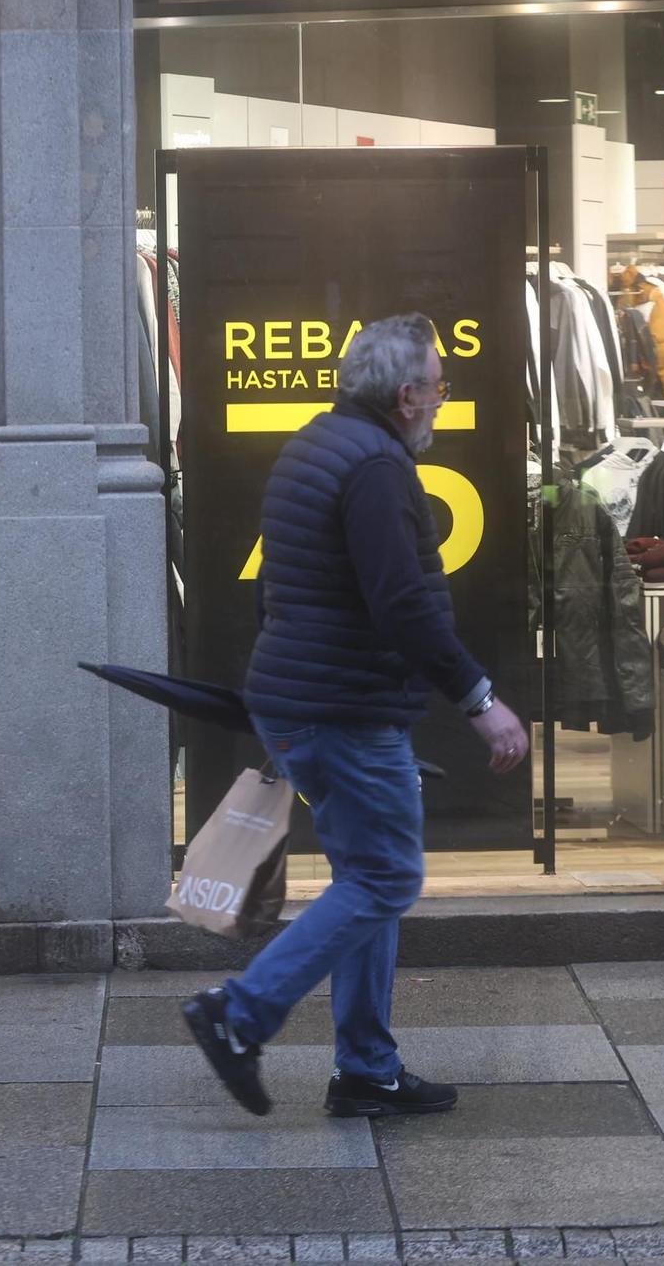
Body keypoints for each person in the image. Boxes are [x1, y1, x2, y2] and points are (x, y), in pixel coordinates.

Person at [182, 312, 530, 1119]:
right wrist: (480, 700)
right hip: (341, 709)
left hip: (307, 699)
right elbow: (403, 603)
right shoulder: (376, 467)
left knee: (364, 875)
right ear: (407, 395)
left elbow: (276, 589)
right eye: (439, 387)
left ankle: (367, 1068)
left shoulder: (313, 443)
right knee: (386, 876)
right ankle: (238, 1013)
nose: (444, 400)